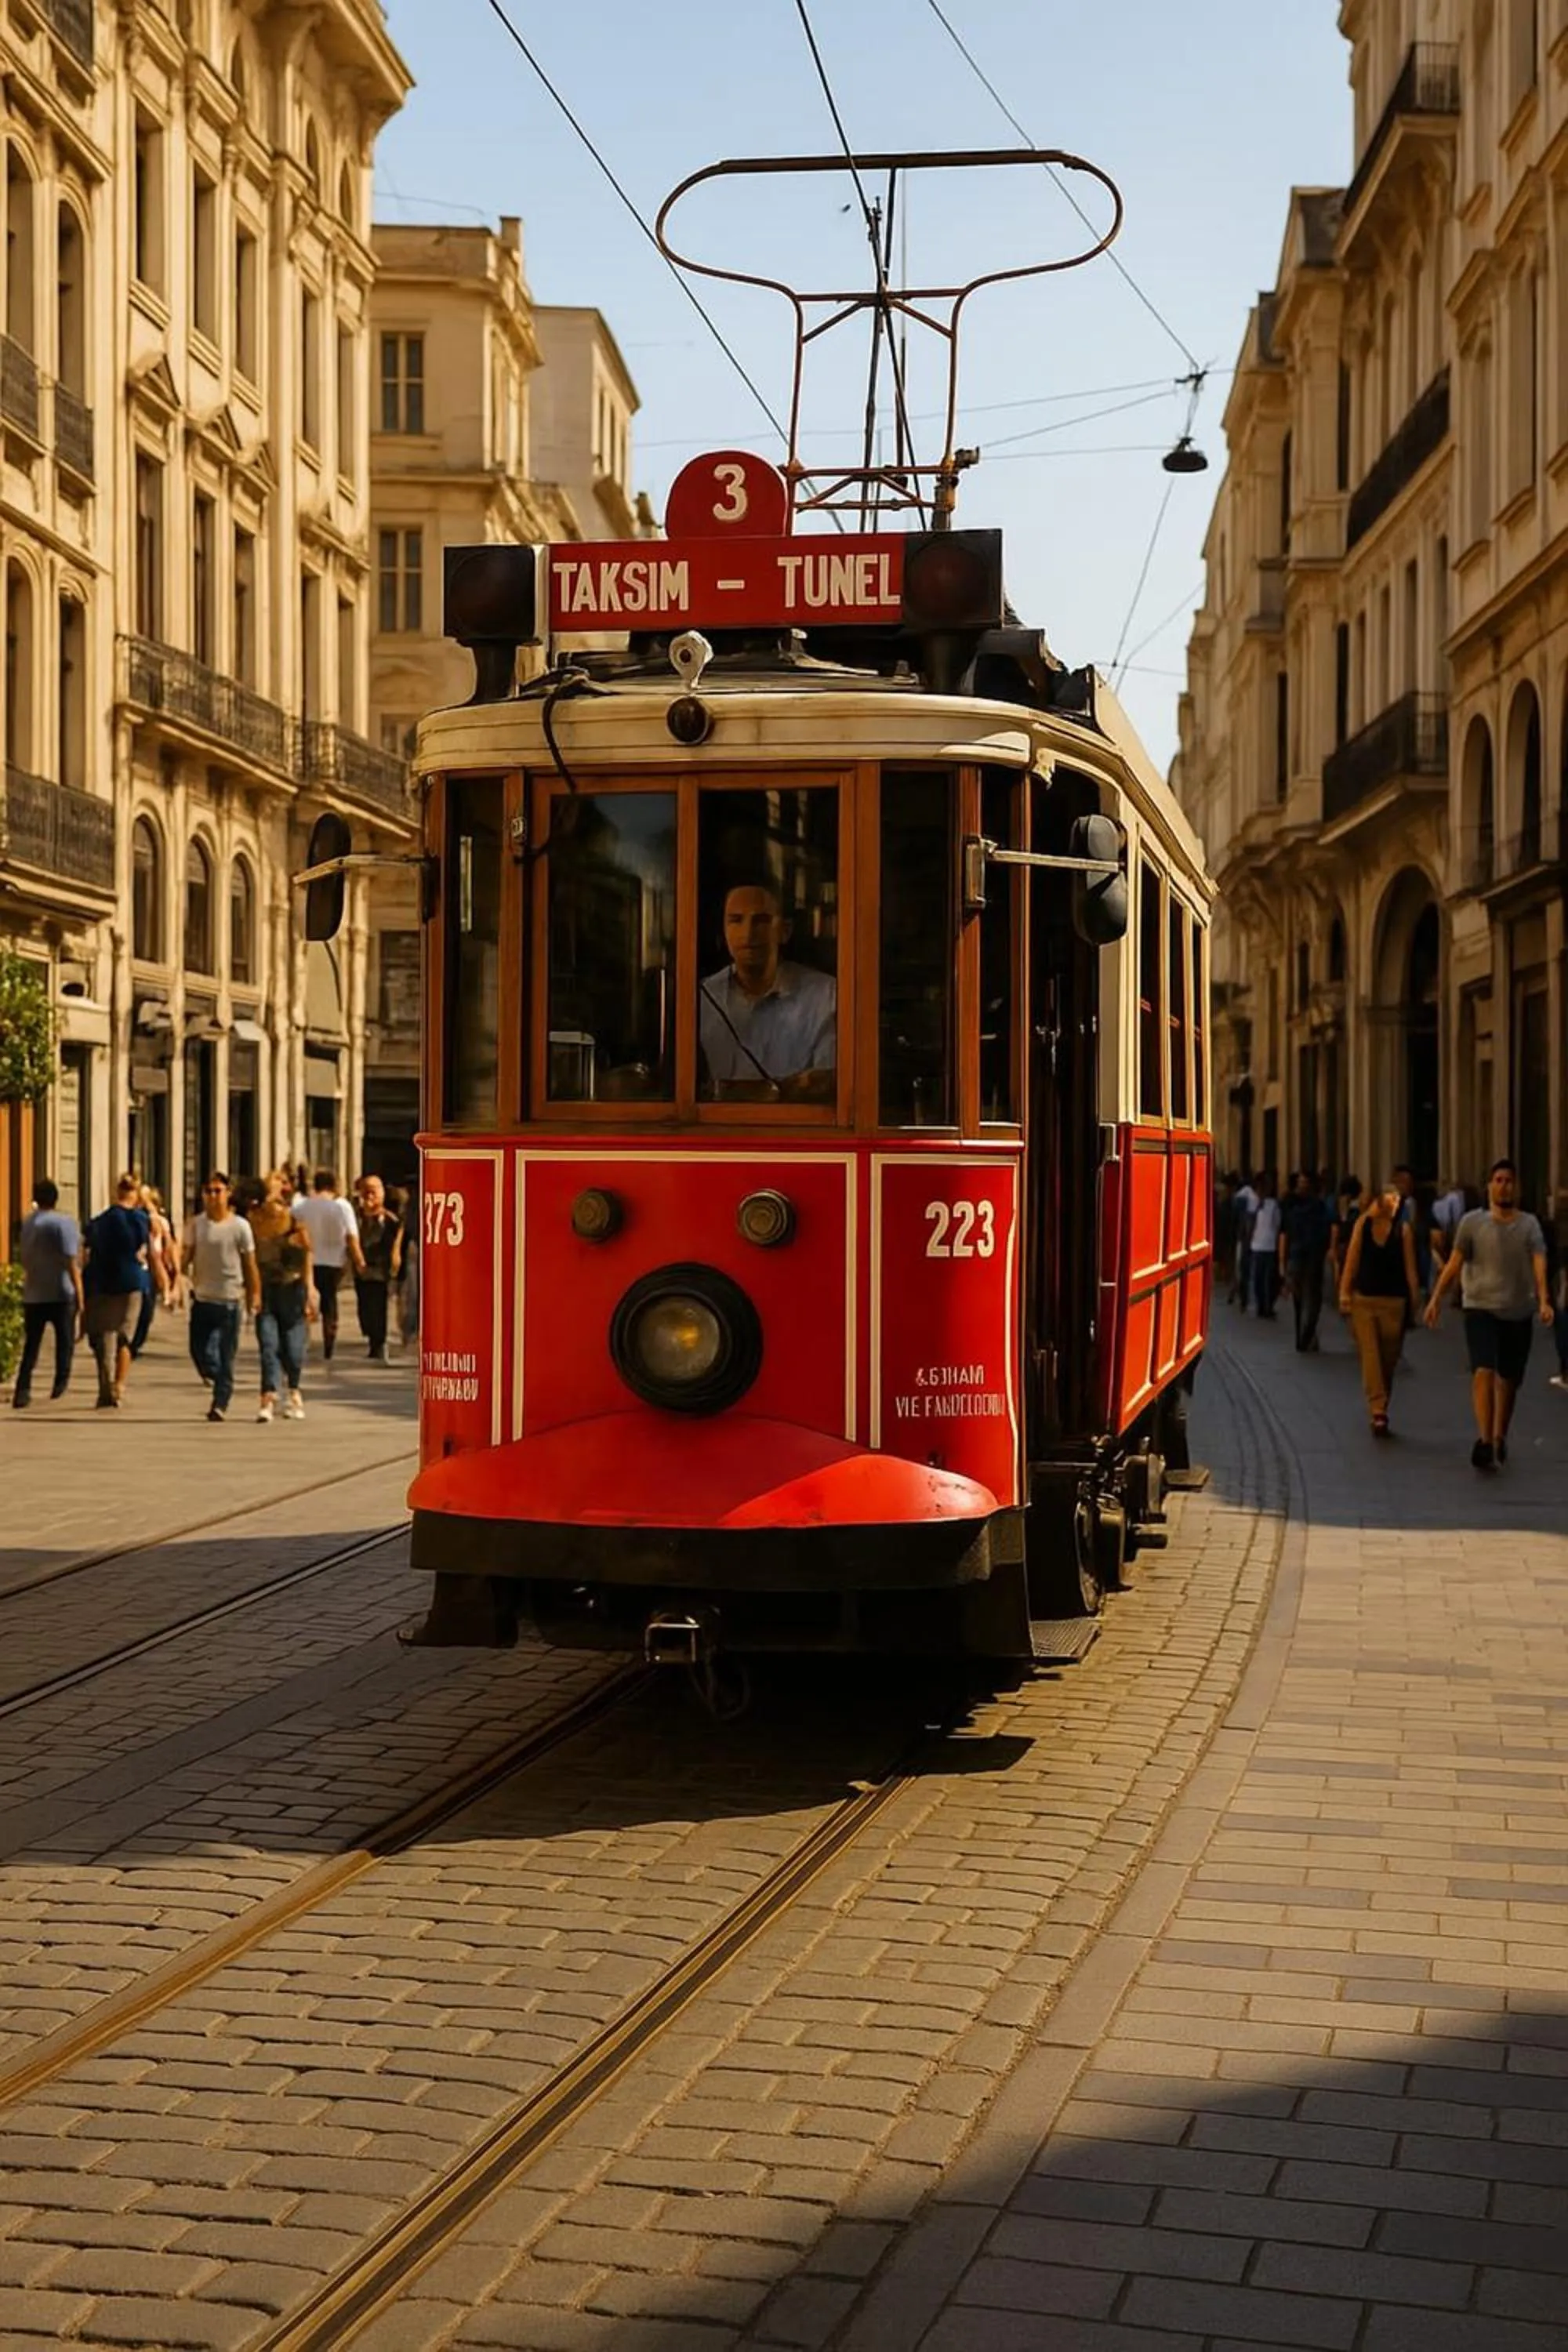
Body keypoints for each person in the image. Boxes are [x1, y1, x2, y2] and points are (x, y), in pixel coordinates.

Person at [1425, 1156, 1553, 1470]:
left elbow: (1539, 1261)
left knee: (1508, 1379)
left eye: (1509, 1181)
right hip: (1480, 1306)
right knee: (1483, 1370)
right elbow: (1454, 1262)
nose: (1503, 1186)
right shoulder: (1472, 1223)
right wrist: (1436, 1298)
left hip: (1517, 1310)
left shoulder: (1529, 1224)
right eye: (1498, 1181)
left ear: (1517, 1188)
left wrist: (1544, 1298)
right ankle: (1484, 1439)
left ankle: (1499, 1436)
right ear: (1489, 1187)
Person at [699, 881, 837, 1102]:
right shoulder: (702, 997)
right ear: (723, 930)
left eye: (761, 921)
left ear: (785, 930)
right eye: (736, 920)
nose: (747, 933)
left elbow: (828, 1085)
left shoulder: (826, 996)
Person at [1339, 1178, 1422, 1436]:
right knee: (1371, 1357)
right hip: (1364, 1301)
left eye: (1399, 1200)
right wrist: (1344, 1292)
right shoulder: (1363, 1224)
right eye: (1392, 1199)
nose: (1396, 1205)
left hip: (1394, 1304)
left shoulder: (1403, 1231)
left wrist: (1415, 1302)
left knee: (1388, 1360)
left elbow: (1411, 1270)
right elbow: (1352, 1259)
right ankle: (1378, 1410)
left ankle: (1381, 1402)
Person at [183, 1171, 260, 1421]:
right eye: (209, 1191)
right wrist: (177, 1278)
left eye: (218, 1191)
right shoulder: (197, 1224)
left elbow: (250, 1264)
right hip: (203, 1298)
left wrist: (254, 1294)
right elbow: (187, 1255)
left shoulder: (240, 1226)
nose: (213, 1196)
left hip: (230, 1300)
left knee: (226, 1354)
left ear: (228, 1194)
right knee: (199, 1352)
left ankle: (220, 1402)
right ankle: (221, 1380)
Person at [249, 1171, 318, 1421]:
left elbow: (308, 1255)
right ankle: (268, 1397)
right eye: (273, 1194)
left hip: (293, 1290)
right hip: (266, 1291)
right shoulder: (253, 1223)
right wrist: (250, 1290)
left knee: (293, 1349)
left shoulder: (294, 1224)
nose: (277, 1200)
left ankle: (294, 1391)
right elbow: (249, 1260)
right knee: (269, 1345)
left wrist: (310, 1289)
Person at [82, 1174, 151, 1408]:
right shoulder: (140, 1218)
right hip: (132, 1282)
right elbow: (142, 1244)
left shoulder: (100, 1221)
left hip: (101, 1283)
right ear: (136, 1193)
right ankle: (119, 1386)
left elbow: (86, 1250)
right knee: (125, 1337)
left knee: (104, 1336)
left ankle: (105, 1387)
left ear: (116, 1192)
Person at [13, 1178, 82, 1408]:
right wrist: (81, 1296)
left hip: (34, 1292)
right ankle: (59, 1386)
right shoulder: (63, 1223)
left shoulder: (27, 1223)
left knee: (31, 1345)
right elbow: (71, 1262)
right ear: (56, 1198)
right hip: (61, 1292)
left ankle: (23, 1389)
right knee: (65, 1343)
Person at [291, 1169, 365, 1363]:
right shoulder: (342, 1207)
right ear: (334, 1185)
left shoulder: (302, 1206)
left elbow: (291, 1229)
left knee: (305, 1301)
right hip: (334, 1261)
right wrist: (359, 1260)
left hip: (309, 1261)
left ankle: (302, 1341)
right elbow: (351, 1236)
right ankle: (328, 1343)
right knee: (330, 1302)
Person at [1279, 1168, 1333, 1353]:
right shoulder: (1297, 1205)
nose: (1302, 1186)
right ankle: (1304, 1336)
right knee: (1307, 1299)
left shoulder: (1312, 1207)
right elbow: (1286, 1233)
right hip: (1303, 1257)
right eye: (1300, 1183)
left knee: (1305, 1299)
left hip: (1307, 1257)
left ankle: (1304, 1336)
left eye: (1304, 1183)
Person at [354, 1174, 402, 1360]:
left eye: (374, 1190)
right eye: (366, 1190)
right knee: (365, 1307)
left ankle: (379, 1343)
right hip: (361, 1269)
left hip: (380, 1270)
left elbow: (397, 1240)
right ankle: (372, 1337)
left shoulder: (390, 1220)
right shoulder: (356, 1216)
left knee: (379, 1306)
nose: (370, 1195)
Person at [1247, 1171, 1283, 1319]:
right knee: (1258, 1279)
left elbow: (1277, 1225)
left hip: (1270, 1246)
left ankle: (1268, 1306)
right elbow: (1249, 1224)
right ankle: (1261, 1306)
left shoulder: (1273, 1205)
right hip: (1257, 1246)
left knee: (1269, 1279)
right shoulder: (1253, 1203)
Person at [1548, 1188, 1568, 1394]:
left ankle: (1565, 1372)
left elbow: (1562, 1259)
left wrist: (1563, 1286)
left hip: (1562, 1280)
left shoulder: (1561, 1227)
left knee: (1563, 1327)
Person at [1230, 1174, 1258, 1308]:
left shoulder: (1239, 1197)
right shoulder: (1253, 1198)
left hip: (1239, 1237)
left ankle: (1236, 1293)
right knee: (1244, 1269)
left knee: (1239, 1268)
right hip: (1246, 1239)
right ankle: (1241, 1295)